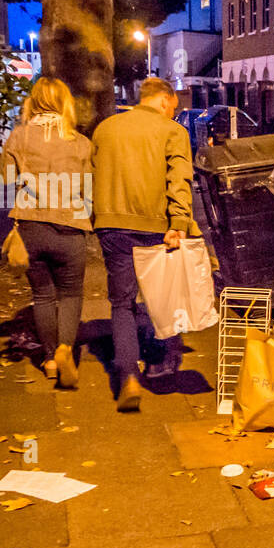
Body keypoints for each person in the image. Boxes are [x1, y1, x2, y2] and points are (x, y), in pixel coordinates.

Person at [91, 77, 193, 412]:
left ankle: (127, 376)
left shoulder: (105, 129)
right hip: (154, 225)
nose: (173, 112)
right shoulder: (172, 131)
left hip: (111, 226)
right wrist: (179, 222)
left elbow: (90, 176)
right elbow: (179, 179)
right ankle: (159, 362)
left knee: (121, 304)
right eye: (173, 107)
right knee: (157, 298)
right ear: (165, 100)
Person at [0, 77, 93, 388]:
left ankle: (50, 358)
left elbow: (5, 181)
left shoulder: (18, 138)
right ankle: (67, 348)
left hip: (31, 226)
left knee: (42, 295)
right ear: (64, 103)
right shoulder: (80, 142)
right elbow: (88, 190)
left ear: (33, 102)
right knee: (70, 295)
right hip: (70, 227)